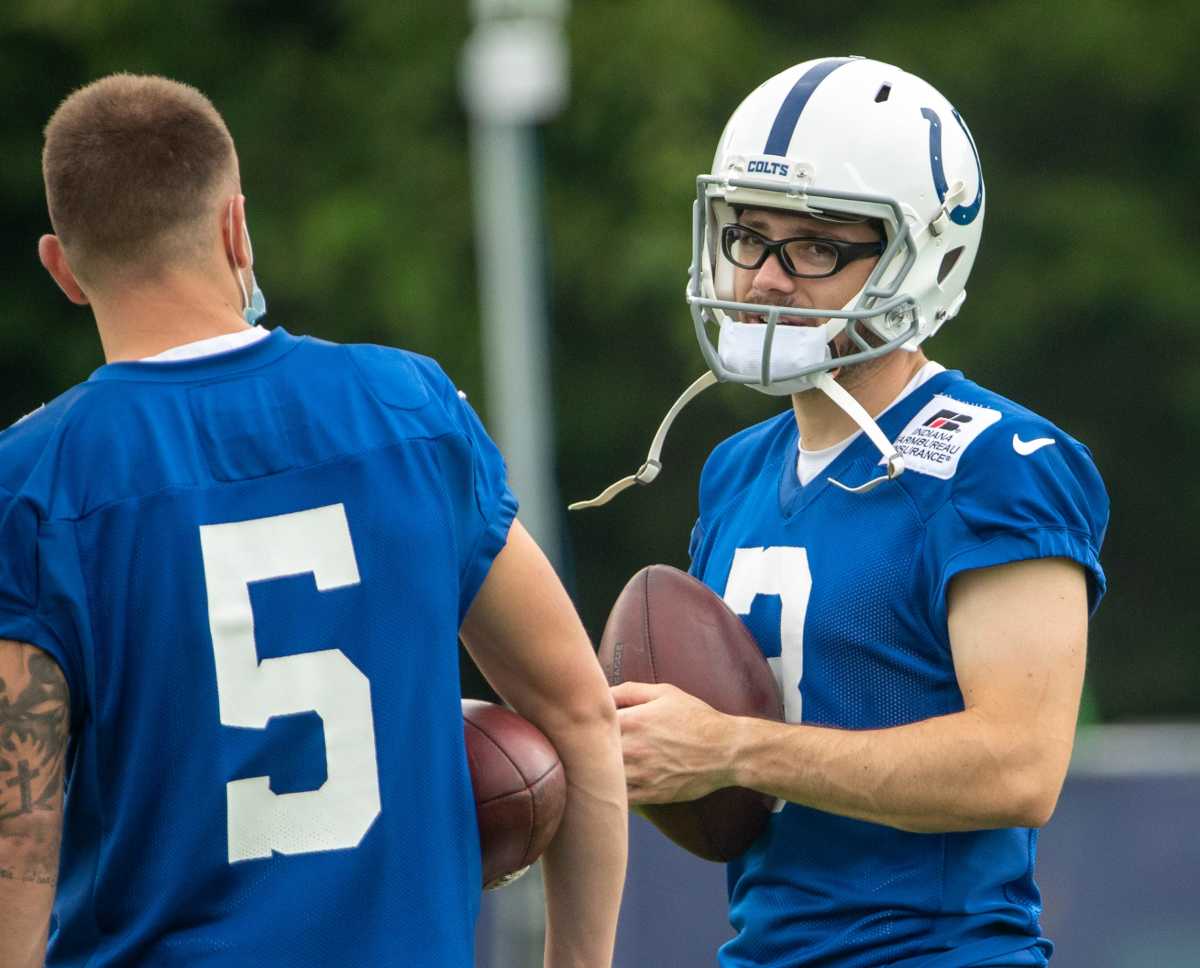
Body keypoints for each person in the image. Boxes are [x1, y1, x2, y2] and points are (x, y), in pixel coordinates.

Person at [0, 73, 626, 968]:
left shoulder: (31, 485)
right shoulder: (409, 410)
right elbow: (580, 714)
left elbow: (16, 841)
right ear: (234, 226)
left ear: (61, 267)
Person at [607, 57, 1108, 966]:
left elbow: (1019, 768)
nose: (762, 280)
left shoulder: (999, 460)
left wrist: (733, 751)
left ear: (928, 254)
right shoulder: (736, 469)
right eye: (747, 236)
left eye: (816, 247)